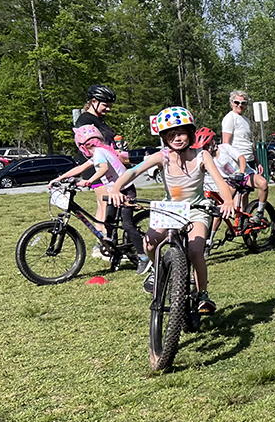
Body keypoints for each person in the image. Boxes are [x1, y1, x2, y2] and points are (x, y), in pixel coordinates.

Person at [108, 107, 236, 312]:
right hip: (170, 208)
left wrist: (228, 201)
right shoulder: (162, 157)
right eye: (171, 135)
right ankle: (158, 268)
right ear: (164, 138)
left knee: (196, 251)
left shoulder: (202, 156)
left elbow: (220, 181)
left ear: (190, 133)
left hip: (196, 208)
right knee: (149, 244)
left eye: (181, 133)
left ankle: (203, 294)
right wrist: (115, 188)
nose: (177, 138)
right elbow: (133, 171)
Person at [51, 125, 148, 272]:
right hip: (113, 192)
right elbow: (80, 168)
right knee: (108, 223)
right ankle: (116, 254)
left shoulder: (99, 153)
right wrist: (60, 177)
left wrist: (89, 181)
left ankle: (143, 256)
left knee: (127, 224)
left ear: (83, 146)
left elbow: (102, 168)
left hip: (125, 190)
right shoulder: (98, 153)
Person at [75, 85, 121, 241]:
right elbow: (89, 145)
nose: (108, 109)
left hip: (104, 166)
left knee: (104, 206)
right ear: (93, 101)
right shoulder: (86, 120)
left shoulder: (98, 120)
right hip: (97, 167)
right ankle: (104, 244)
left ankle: (103, 244)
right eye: (105, 105)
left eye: (110, 106)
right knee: (105, 206)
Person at [220, 90, 267, 214]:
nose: (240, 105)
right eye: (237, 102)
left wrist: (258, 162)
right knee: (233, 193)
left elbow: (249, 143)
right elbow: (226, 143)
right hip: (237, 162)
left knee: (245, 192)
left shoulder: (246, 120)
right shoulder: (230, 118)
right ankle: (231, 217)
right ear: (232, 103)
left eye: (243, 103)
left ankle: (244, 218)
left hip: (249, 160)